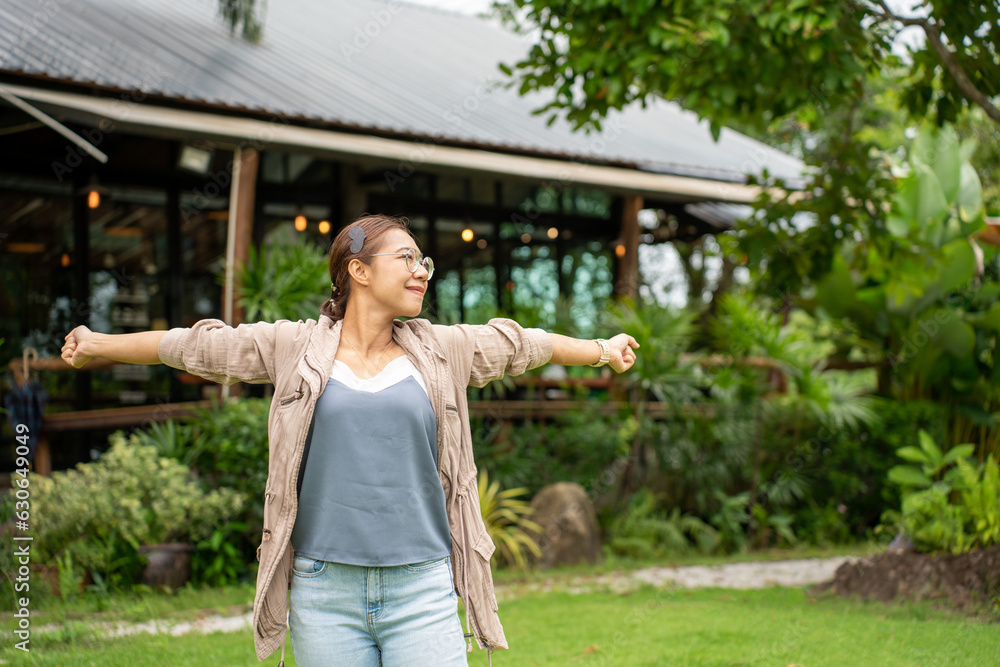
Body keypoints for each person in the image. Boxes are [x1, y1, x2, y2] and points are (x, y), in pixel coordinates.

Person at [61, 213, 639, 667]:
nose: (422, 271)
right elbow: (199, 347)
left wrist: (600, 350)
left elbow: (520, 344)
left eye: (424, 261)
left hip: (422, 587)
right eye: (406, 258)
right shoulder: (294, 347)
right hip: (323, 590)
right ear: (358, 270)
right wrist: (100, 344)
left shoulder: (443, 348)